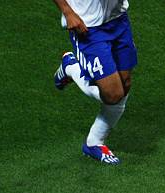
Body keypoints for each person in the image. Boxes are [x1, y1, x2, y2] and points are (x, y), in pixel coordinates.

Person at [52, 0, 137, 165]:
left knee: (124, 84)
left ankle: (94, 143)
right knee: (113, 95)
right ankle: (71, 68)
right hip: (87, 25)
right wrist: (68, 12)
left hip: (118, 18)